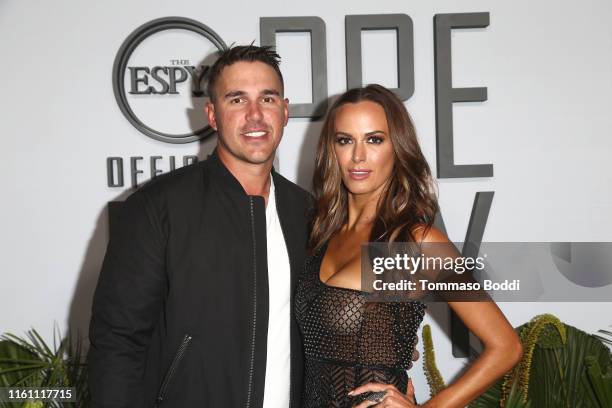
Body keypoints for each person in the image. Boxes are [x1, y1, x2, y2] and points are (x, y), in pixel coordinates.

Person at [87, 45, 311, 407]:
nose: (255, 115)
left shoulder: (308, 212)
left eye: (267, 99)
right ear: (212, 115)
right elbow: (117, 343)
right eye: (237, 100)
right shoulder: (157, 208)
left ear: (285, 112)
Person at [295, 84, 523, 407]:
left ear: (397, 148)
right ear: (332, 149)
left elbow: (506, 346)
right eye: (345, 140)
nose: (358, 156)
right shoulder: (320, 233)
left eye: (374, 139)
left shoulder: (416, 242)